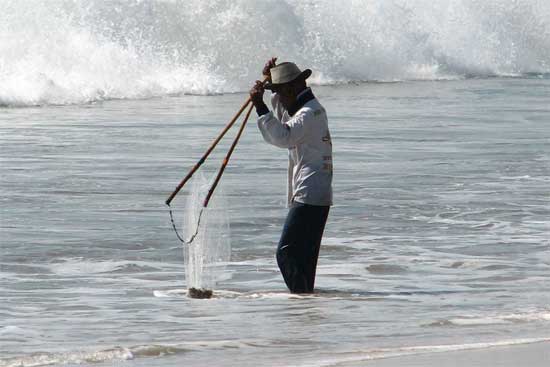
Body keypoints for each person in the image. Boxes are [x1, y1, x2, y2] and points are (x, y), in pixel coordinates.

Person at [249, 58, 333, 293]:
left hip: (310, 193)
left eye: (280, 91)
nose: (279, 97)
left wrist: (260, 106)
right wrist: (270, 79)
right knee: (304, 259)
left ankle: (301, 300)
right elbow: (285, 116)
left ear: (292, 88)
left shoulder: (309, 114)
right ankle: (306, 307)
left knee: (285, 253)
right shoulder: (305, 109)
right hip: (314, 193)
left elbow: (283, 136)